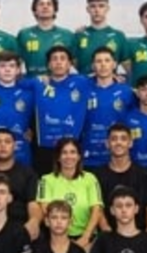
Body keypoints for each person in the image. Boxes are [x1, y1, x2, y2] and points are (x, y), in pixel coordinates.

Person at [29, 45, 90, 176]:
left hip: (71, 149)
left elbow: (102, 78)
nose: (58, 62)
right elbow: (14, 83)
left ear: (69, 64)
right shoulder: (38, 83)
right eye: (54, 59)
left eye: (62, 58)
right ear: (49, 65)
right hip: (44, 149)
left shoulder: (82, 82)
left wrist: (115, 76)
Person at [37, 138, 103, 248]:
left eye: (73, 152)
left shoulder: (90, 179)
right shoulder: (46, 180)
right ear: (58, 157)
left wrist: (85, 237)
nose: (69, 156)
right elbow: (45, 210)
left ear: (79, 156)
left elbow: (97, 209)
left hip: (87, 237)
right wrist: (64, 241)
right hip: (56, 238)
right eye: (64, 152)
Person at [93, 124, 147, 233]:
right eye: (114, 139)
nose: (118, 143)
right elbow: (98, 208)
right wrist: (107, 234)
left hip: (140, 235)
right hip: (109, 236)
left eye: (123, 139)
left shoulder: (144, 174)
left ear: (130, 143)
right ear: (107, 143)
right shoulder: (97, 176)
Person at [83, 47, 135, 169]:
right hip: (89, 157)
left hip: (117, 158)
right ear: (93, 66)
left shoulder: (127, 91)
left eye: (107, 60)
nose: (103, 65)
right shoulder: (83, 88)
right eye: (98, 61)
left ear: (114, 64)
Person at [17, 0, 75, 77]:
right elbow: (17, 62)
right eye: (41, 4)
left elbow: (74, 62)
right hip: (32, 80)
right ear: (35, 10)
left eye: (49, 4)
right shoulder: (24, 34)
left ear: (55, 10)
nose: (45, 7)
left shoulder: (67, 35)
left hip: (58, 81)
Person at [74, 0, 127, 75]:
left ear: (107, 8)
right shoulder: (79, 35)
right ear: (87, 9)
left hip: (108, 82)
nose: (97, 10)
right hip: (84, 81)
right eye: (93, 6)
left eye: (101, 6)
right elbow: (71, 65)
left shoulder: (118, 36)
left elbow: (129, 68)